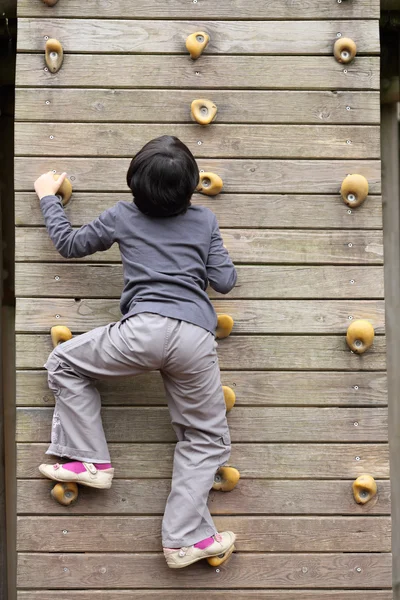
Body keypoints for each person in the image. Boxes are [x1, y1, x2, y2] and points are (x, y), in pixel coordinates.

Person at [34, 135, 237, 569]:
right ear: (190, 188)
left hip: (141, 333)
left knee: (65, 362)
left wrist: (49, 198)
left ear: (134, 185)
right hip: (195, 340)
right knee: (204, 438)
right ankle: (184, 539)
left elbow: (70, 244)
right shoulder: (204, 222)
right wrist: (205, 248)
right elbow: (224, 281)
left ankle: (89, 459)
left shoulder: (123, 215)